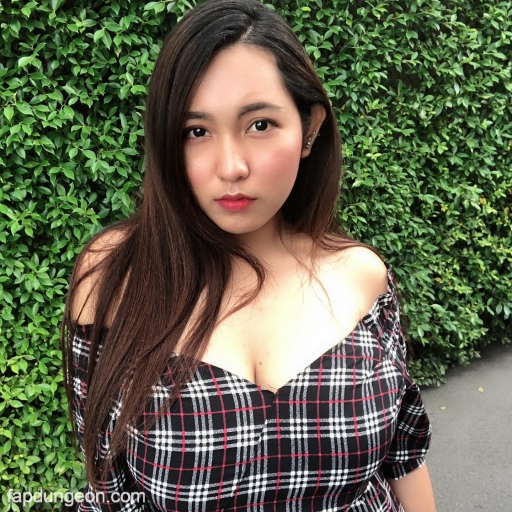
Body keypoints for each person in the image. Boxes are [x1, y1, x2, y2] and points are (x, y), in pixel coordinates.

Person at [61, 0, 435, 510]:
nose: (231, 166)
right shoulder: (117, 276)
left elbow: (403, 456)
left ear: (310, 128)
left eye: (259, 124)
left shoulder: (361, 277)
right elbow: (109, 486)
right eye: (196, 132)